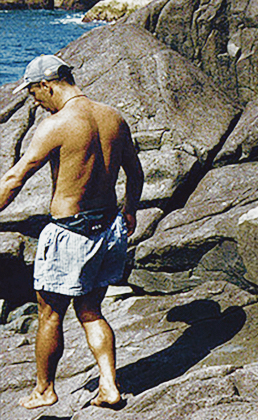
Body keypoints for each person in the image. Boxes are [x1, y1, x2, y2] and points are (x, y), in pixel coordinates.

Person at [5, 55, 144, 409]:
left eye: (34, 93)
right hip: (108, 229)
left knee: (50, 314)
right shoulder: (114, 117)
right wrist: (129, 209)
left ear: (47, 85)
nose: (35, 101)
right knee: (90, 310)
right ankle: (109, 385)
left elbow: (14, 179)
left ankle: (43, 390)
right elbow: (136, 173)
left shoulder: (56, 125)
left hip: (70, 232)